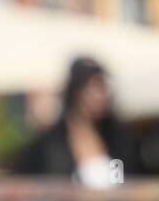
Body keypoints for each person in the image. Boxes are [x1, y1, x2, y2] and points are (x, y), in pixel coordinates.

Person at [17, 57, 131, 189]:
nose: (101, 95)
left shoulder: (117, 138)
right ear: (76, 91)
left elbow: (123, 183)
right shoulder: (50, 146)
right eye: (93, 86)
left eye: (103, 87)